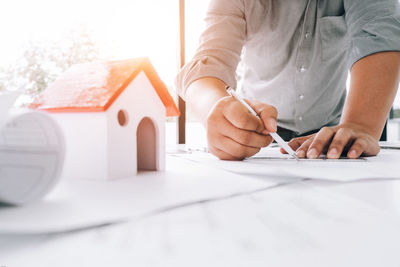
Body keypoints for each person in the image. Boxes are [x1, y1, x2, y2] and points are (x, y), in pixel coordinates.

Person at [176, 0, 400, 160]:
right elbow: (208, 63)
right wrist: (216, 109)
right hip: (254, 136)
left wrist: (359, 125)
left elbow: (379, 32)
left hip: (332, 137)